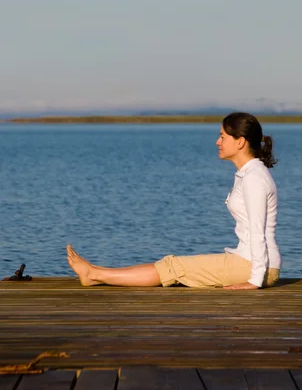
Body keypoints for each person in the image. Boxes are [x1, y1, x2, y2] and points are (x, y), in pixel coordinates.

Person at [67, 112, 282, 290]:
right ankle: (96, 273)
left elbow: (257, 232)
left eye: (223, 136)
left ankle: (94, 274)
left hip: (255, 266)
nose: (217, 142)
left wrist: (254, 280)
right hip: (251, 262)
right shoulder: (249, 174)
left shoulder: (254, 178)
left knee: (173, 266)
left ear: (240, 142)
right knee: (174, 265)